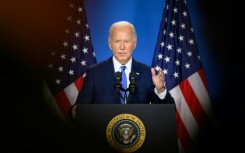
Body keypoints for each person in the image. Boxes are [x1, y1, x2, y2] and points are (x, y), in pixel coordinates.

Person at [71, 21, 174, 118]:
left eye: (126, 41)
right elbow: (79, 109)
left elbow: (169, 112)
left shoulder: (148, 73)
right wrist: (75, 111)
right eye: (117, 41)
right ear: (110, 44)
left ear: (134, 43)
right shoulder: (94, 73)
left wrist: (161, 90)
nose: (122, 47)